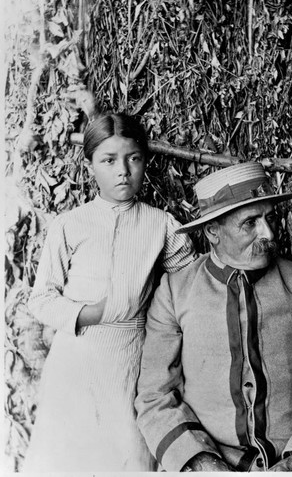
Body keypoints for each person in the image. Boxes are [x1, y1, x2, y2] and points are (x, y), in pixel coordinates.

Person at [135, 161, 292, 472]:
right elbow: (155, 396)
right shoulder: (175, 292)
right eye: (250, 223)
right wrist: (203, 464)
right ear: (213, 231)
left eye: (269, 218)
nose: (267, 232)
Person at [23, 113, 197, 472]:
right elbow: (41, 299)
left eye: (133, 158)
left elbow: (190, 283)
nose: (123, 171)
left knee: (126, 455)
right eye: (108, 160)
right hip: (75, 359)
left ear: (144, 163)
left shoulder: (160, 225)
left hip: (131, 359)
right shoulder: (70, 225)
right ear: (90, 167)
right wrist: (97, 312)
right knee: (70, 457)